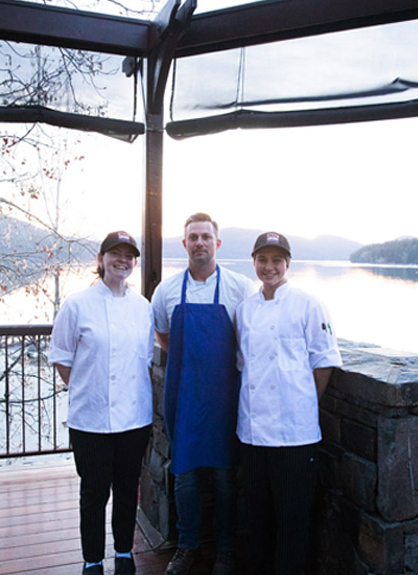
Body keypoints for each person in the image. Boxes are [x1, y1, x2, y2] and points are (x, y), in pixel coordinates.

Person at [151, 213, 254, 575]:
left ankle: (225, 549)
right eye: (193, 237)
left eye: (205, 237)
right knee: (185, 477)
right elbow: (163, 337)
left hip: (224, 399)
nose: (199, 243)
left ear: (217, 243)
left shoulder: (240, 287)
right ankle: (187, 547)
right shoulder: (166, 291)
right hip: (183, 398)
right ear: (185, 244)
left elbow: (250, 338)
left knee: (226, 479)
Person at [235, 232, 342, 575]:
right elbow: (243, 364)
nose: (269, 267)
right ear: (253, 262)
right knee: (257, 519)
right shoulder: (245, 310)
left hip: (295, 436)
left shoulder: (308, 304)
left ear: (288, 264)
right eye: (262, 260)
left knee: (294, 523)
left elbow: (323, 361)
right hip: (252, 434)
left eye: (276, 261)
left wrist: (303, 403)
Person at [49, 231, 155, 575]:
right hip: (90, 420)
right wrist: (88, 389)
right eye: (115, 254)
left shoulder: (143, 308)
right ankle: (92, 559)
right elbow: (63, 358)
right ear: (101, 259)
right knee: (93, 494)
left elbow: (146, 359)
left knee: (127, 491)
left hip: (133, 419)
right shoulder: (77, 305)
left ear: (134, 262)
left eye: (129, 255)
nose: (122, 260)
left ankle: (124, 552)